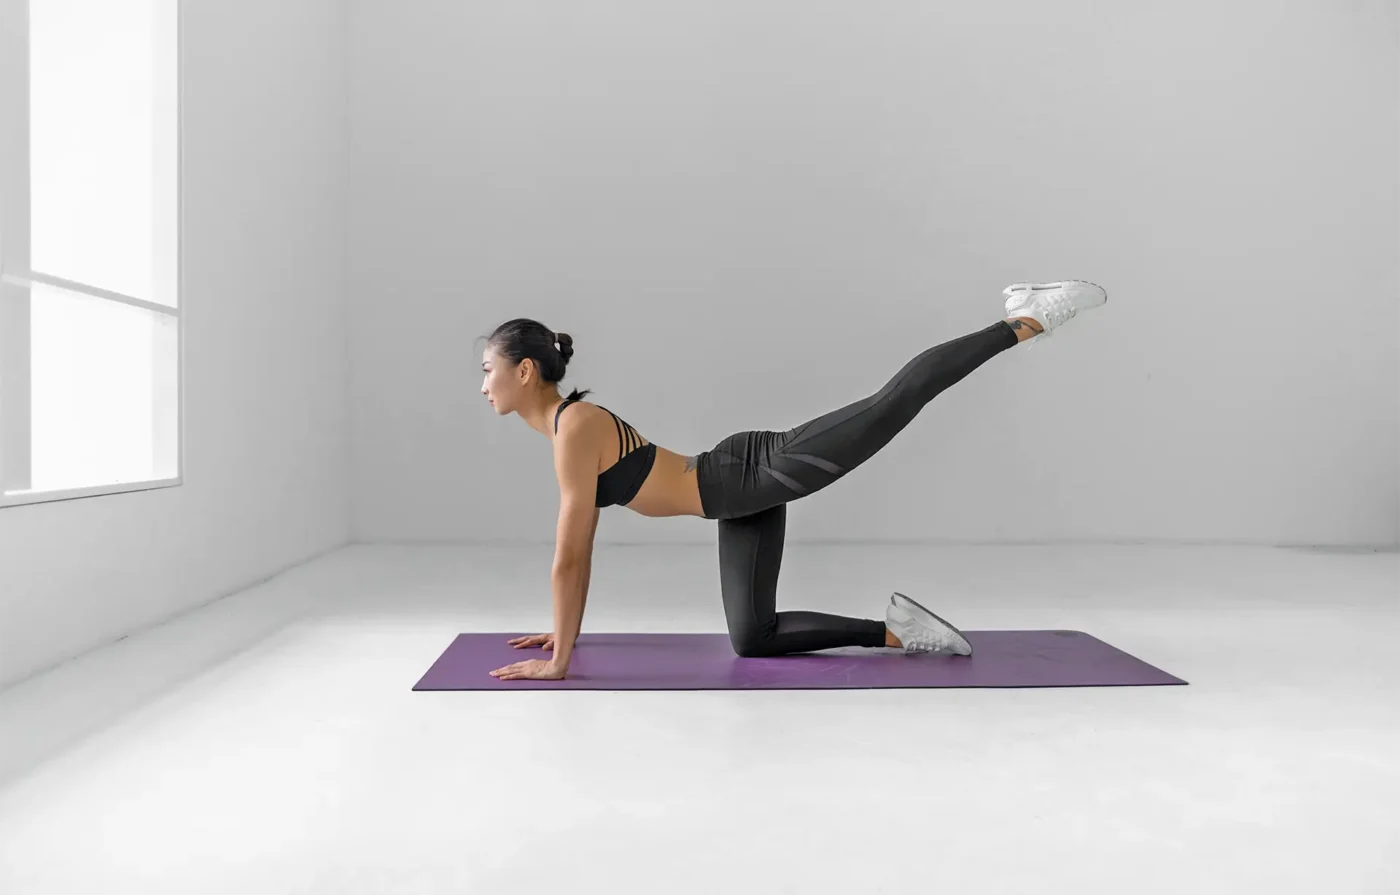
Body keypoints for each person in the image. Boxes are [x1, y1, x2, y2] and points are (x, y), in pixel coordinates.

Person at [484, 281, 1107, 681]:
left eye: (490, 370)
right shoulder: (569, 429)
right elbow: (572, 560)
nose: (484, 383)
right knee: (753, 639)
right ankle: (902, 631)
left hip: (753, 472)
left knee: (892, 402)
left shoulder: (576, 428)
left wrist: (561, 659)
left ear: (526, 370)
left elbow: (571, 557)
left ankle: (1028, 318)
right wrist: (563, 633)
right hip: (735, 497)